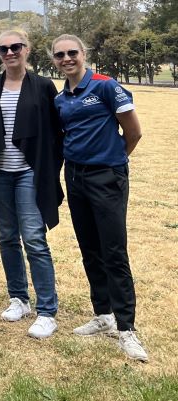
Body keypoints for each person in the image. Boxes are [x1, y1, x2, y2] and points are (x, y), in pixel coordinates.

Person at [52, 34, 147, 362]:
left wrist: (114, 162)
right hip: (75, 178)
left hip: (106, 177)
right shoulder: (61, 98)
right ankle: (103, 315)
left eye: (72, 53)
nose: (67, 59)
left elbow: (133, 132)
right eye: (60, 55)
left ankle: (126, 329)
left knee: (114, 252)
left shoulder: (106, 86)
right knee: (90, 250)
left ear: (84, 54)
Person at [0, 31, 63, 339]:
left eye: (16, 47)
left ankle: (47, 310)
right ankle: (19, 298)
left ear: (27, 49)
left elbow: (56, 133)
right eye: (4, 48)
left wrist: (50, 172)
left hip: (29, 172)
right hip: (0, 173)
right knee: (7, 237)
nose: (10, 52)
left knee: (34, 239)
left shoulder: (42, 86)